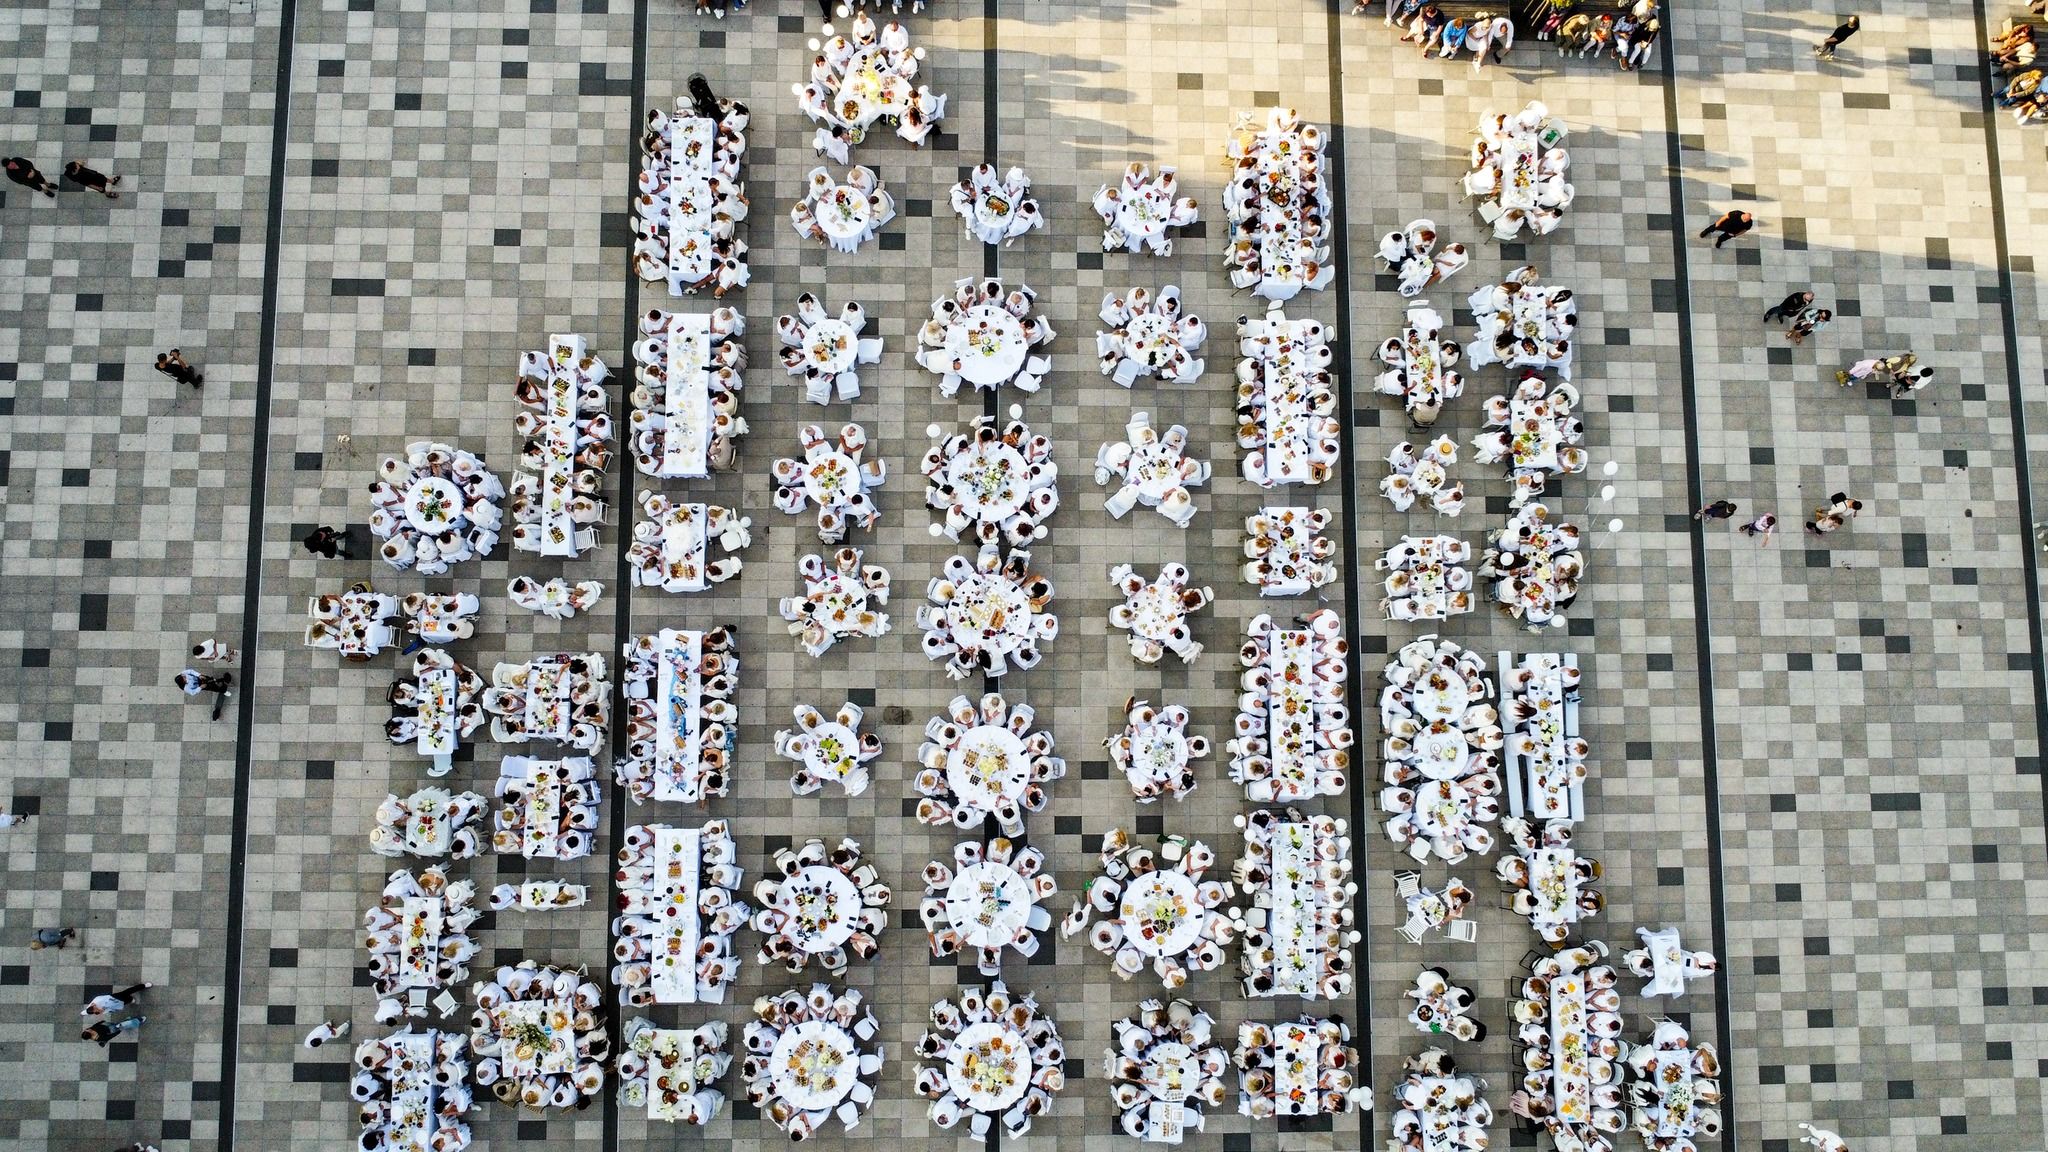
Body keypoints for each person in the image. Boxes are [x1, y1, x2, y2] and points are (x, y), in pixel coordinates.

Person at [82, 983, 153, 1017]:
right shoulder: (98, 1012)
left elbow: (106, 997)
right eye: (95, 1011)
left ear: (93, 1005)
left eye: (95, 1008)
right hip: (115, 1004)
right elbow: (110, 1010)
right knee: (124, 1002)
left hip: (114, 997)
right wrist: (104, 1010)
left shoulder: (97, 1000)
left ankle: (144, 986)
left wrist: (104, 1006)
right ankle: (130, 999)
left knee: (128, 991)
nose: (97, 1009)